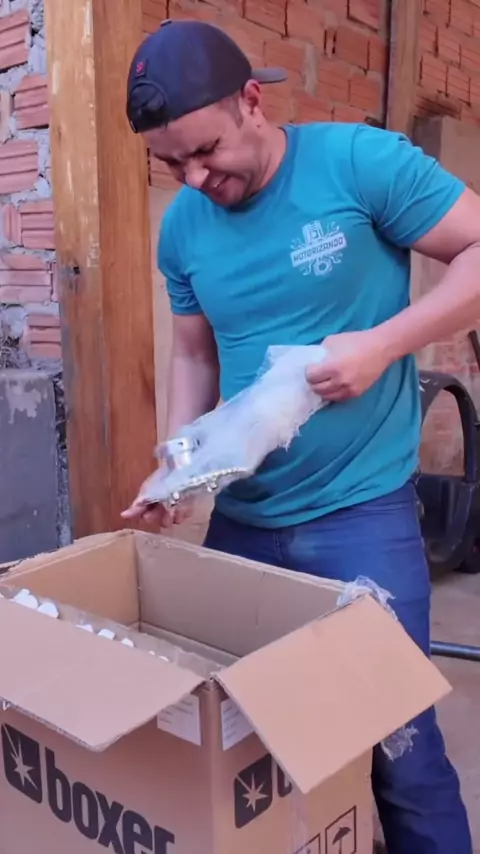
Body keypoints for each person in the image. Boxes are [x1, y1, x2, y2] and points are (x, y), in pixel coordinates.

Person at [123, 19, 477, 854]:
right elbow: (194, 354)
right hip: (244, 521)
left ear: (253, 101)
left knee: (399, 748)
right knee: (254, 742)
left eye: (205, 151)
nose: (195, 178)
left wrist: (382, 345)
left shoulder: (358, 163)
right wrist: (179, 467)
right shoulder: (183, 228)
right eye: (171, 164)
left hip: (361, 518)